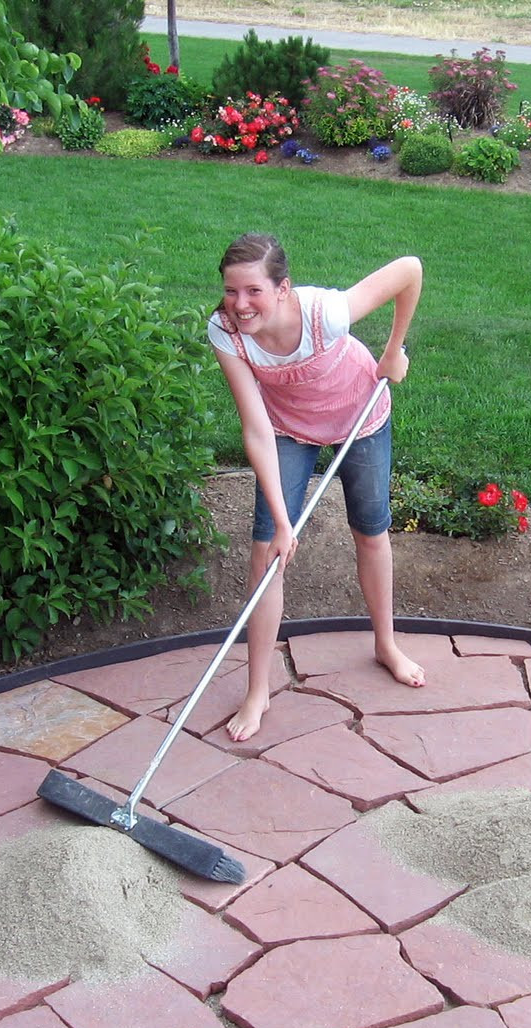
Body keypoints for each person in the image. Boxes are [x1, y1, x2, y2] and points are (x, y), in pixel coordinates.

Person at [207, 233, 425, 742]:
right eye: (231, 291)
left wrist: (393, 351)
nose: (240, 304)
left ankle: (386, 645)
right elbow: (255, 428)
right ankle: (257, 689)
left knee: (371, 531)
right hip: (286, 429)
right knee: (267, 553)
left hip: (360, 414)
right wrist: (284, 523)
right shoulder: (226, 332)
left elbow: (409, 269)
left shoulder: (325, 313)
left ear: (283, 289)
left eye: (254, 291)